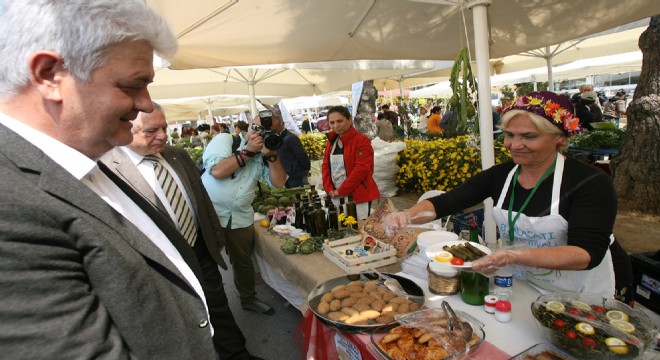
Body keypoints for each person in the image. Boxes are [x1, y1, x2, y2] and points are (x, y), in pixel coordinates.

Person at [0, 1, 216, 358]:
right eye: (133, 86)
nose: (146, 105)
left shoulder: (83, 158)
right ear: (50, 75)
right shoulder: (11, 201)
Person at [382, 91, 633, 302]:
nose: (514, 144)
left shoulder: (588, 182)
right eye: (510, 135)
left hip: (582, 289)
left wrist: (512, 256)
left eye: (529, 136)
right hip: (529, 281)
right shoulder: (501, 175)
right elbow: (444, 203)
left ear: (559, 138)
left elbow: (585, 254)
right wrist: (406, 215)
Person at [101, 103, 258, 360]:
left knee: (218, 306)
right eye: (152, 130)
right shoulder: (109, 166)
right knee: (179, 318)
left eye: (164, 127)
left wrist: (215, 240)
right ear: (126, 127)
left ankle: (237, 354)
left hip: (200, 249)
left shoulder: (177, 155)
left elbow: (202, 199)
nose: (163, 135)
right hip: (163, 261)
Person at [202, 113, 287, 315]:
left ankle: (248, 299)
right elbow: (217, 171)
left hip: (239, 215)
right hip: (209, 213)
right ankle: (207, 306)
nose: (261, 134)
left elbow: (279, 182)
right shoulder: (226, 140)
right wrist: (248, 151)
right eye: (257, 129)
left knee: (243, 262)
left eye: (270, 132)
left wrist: (272, 155)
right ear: (249, 125)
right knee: (205, 260)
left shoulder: (266, 153)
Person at [322, 106, 380, 219]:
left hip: (357, 195)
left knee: (357, 228)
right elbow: (325, 166)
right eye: (332, 122)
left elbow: (361, 170)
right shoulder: (331, 142)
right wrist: (329, 189)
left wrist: (341, 190)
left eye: (340, 121)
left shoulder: (361, 140)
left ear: (349, 120)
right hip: (335, 195)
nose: (336, 126)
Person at [271, 107, 311, 188]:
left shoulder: (290, 138)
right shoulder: (277, 138)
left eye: (274, 122)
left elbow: (301, 155)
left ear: (282, 123)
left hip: (295, 176)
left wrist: (306, 169)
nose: (272, 126)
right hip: (287, 176)